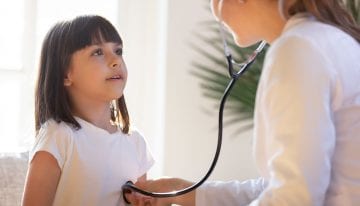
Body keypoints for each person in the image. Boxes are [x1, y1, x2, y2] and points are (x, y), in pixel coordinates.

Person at [126, 0, 360, 205]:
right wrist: (181, 192)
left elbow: (295, 197)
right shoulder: (330, 41)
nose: (215, 11)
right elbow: (279, 186)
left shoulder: (298, 49)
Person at [21, 15, 154, 206]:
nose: (115, 60)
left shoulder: (136, 143)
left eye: (118, 50)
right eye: (98, 52)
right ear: (66, 74)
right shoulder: (58, 137)